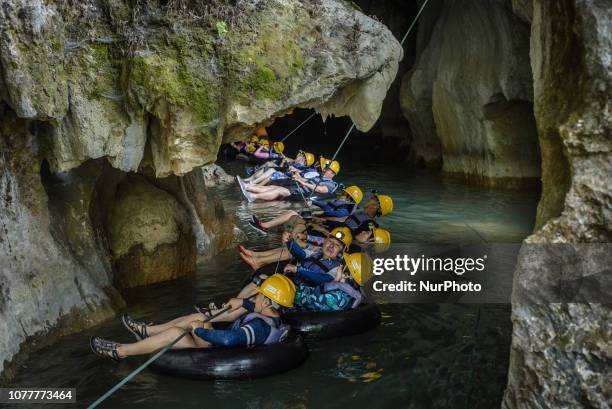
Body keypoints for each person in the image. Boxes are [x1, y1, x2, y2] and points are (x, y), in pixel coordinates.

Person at [89, 274, 296, 361]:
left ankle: (120, 352)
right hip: (223, 347)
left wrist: (199, 331)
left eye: (259, 294)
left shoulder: (260, 326)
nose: (256, 295)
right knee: (199, 316)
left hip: (220, 353)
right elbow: (257, 307)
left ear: (267, 301)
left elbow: (229, 340)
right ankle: (147, 331)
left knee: (176, 333)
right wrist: (244, 303)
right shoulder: (272, 317)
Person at [248, 185, 363, 234]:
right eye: (343, 192)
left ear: (349, 199)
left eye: (344, 193)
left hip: (321, 224)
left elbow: (330, 212)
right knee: (292, 212)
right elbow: (325, 205)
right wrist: (312, 201)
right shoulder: (340, 203)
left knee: (291, 213)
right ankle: (265, 226)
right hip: (317, 218)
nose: (341, 194)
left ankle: (264, 226)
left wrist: (318, 213)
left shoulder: (346, 209)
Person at [293, 252, 372, 312]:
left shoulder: (336, 298)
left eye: (341, 265)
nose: (338, 267)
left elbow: (302, 300)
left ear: (347, 275)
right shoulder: (347, 291)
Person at [241, 158, 340, 202]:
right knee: (273, 186)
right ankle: (249, 188)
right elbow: (305, 180)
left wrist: (303, 183)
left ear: (332, 173)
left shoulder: (331, 184)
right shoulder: (318, 177)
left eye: (326, 169)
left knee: (278, 190)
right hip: (297, 188)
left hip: (302, 193)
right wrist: (298, 177)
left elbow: (321, 189)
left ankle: (253, 196)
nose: (323, 169)